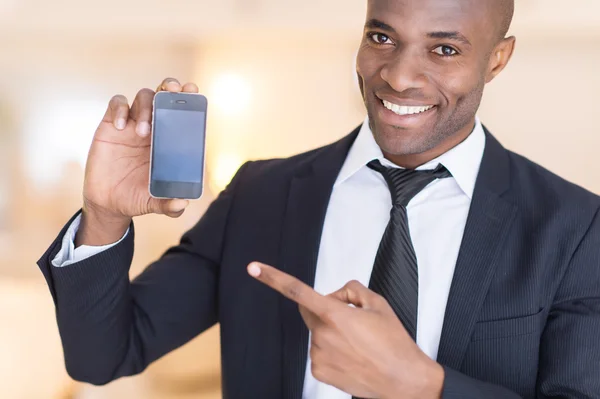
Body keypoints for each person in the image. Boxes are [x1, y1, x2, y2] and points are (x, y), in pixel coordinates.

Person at [37, 0, 600, 398]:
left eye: (445, 49)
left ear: (497, 59)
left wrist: (425, 388)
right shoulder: (261, 194)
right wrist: (105, 215)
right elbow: (101, 358)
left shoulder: (573, 226)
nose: (400, 76)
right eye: (382, 37)